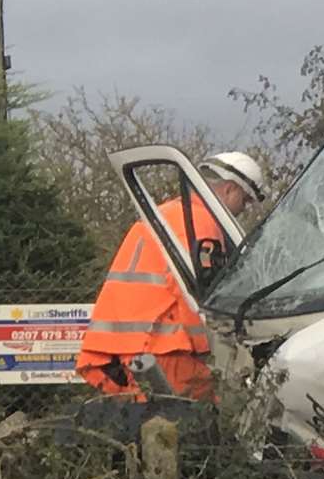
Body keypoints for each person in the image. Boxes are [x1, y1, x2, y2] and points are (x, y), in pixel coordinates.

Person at [75, 151, 266, 400]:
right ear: (230, 189)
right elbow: (192, 294)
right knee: (197, 423)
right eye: (246, 200)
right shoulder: (202, 223)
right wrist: (211, 349)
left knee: (148, 427)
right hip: (162, 347)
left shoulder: (164, 215)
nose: (244, 209)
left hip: (119, 350)